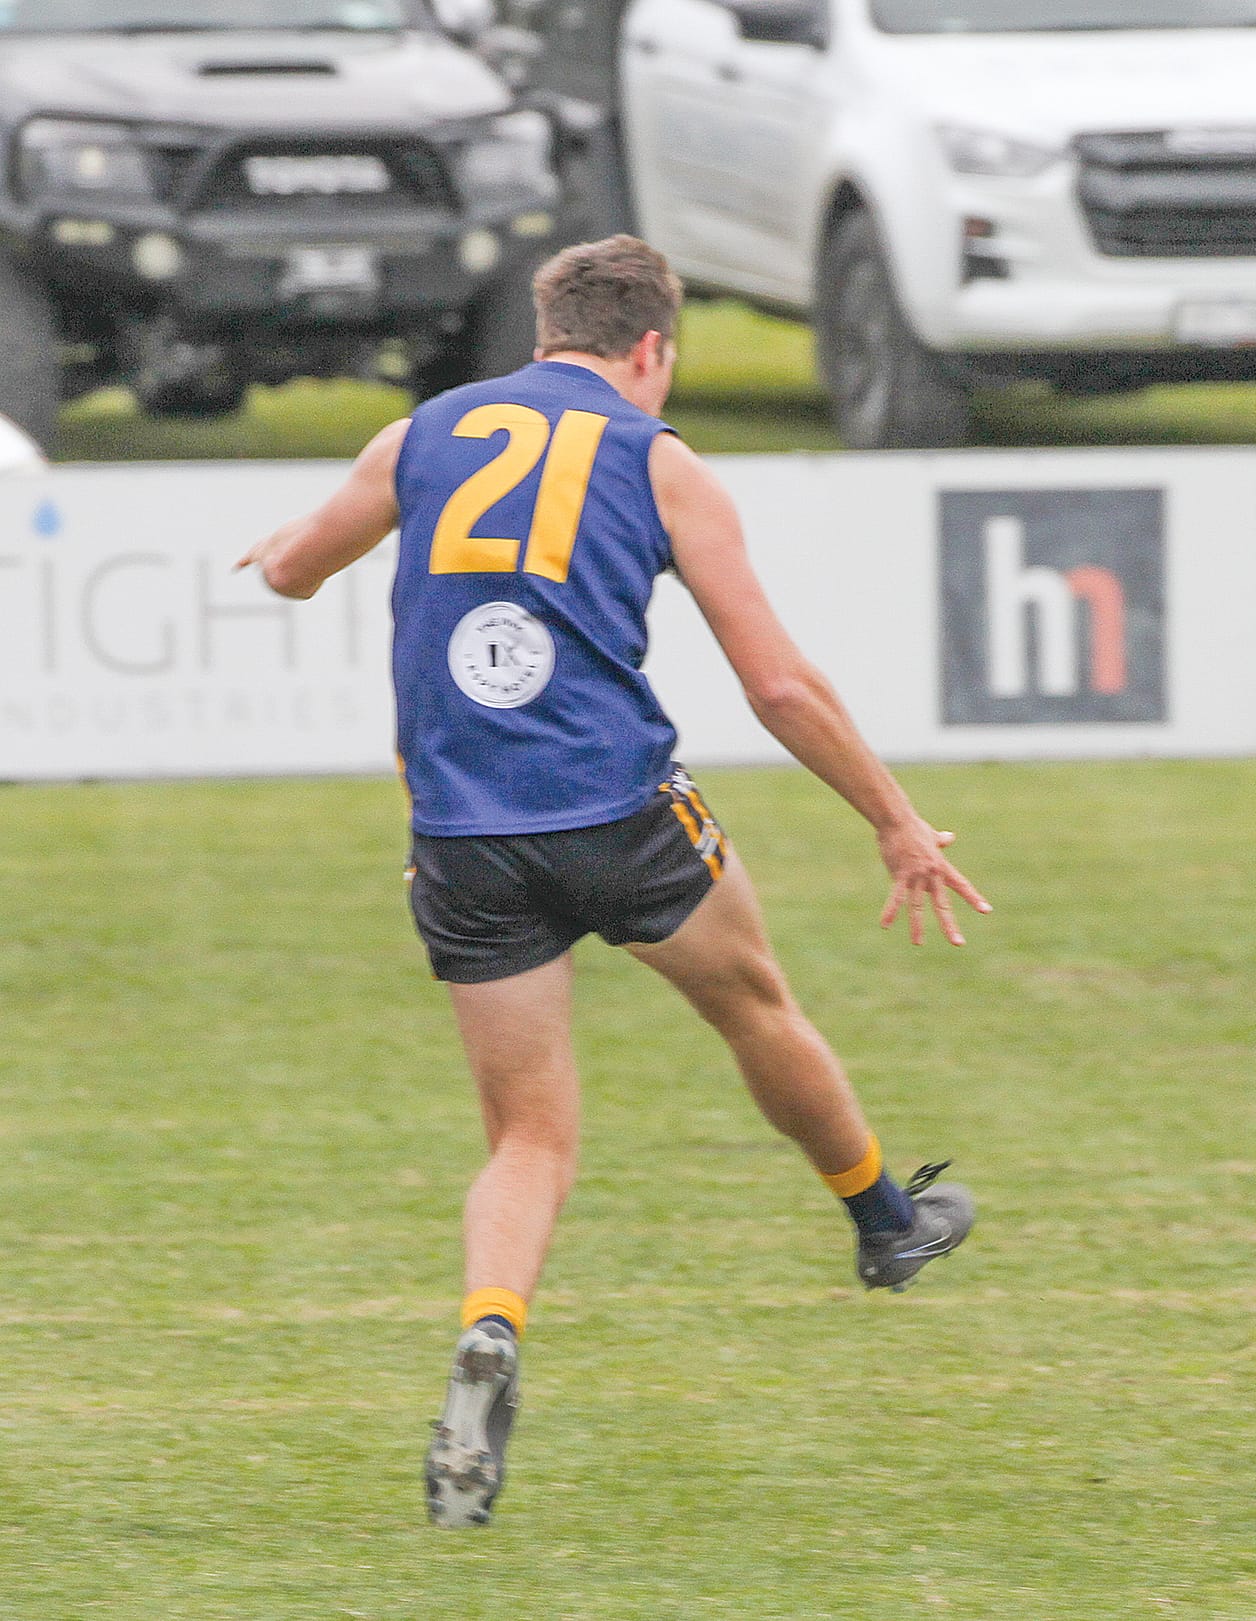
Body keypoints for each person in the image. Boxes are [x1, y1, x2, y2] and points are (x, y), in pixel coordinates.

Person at [237, 236, 988, 1530]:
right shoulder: (659, 459)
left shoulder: (421, 435)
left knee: (529, 1136)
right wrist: (895, 820)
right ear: (651, 348)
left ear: (547, 333)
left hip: (465, 835)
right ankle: (884, 1221)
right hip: (621, 815)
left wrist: (277, 555)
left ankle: (490, 1329)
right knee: (754, 1005)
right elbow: (779, 683)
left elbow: (299, 567)